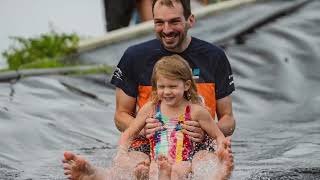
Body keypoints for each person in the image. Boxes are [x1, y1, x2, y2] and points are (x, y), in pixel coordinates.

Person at [63, 0, 235, 178]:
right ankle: (94, 174)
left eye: (174, 21)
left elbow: (228, 119)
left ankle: (219, 174)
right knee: (133, 164)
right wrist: (143, 129)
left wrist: (207, 130)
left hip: (197, 143)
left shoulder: (214, 57)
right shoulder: (134, 57)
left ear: (190, 20)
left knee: (204, 162)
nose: (167, 30)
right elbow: (120, 115)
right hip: (150, 144)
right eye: (159, 22)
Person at [62, 55, 233, 180]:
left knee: (186, 168)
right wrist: (121, 153)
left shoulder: (196, 111)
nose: (166, 91)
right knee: (140, 167)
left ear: (187, 85)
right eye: (162, 86)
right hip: (156, 161)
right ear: (155, 86)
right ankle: (93, 174)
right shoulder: (151, 108)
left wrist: (221, 149)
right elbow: (129, 134)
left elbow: (217, 135)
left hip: (183, 160)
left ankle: (218, 175)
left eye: (173, 86)